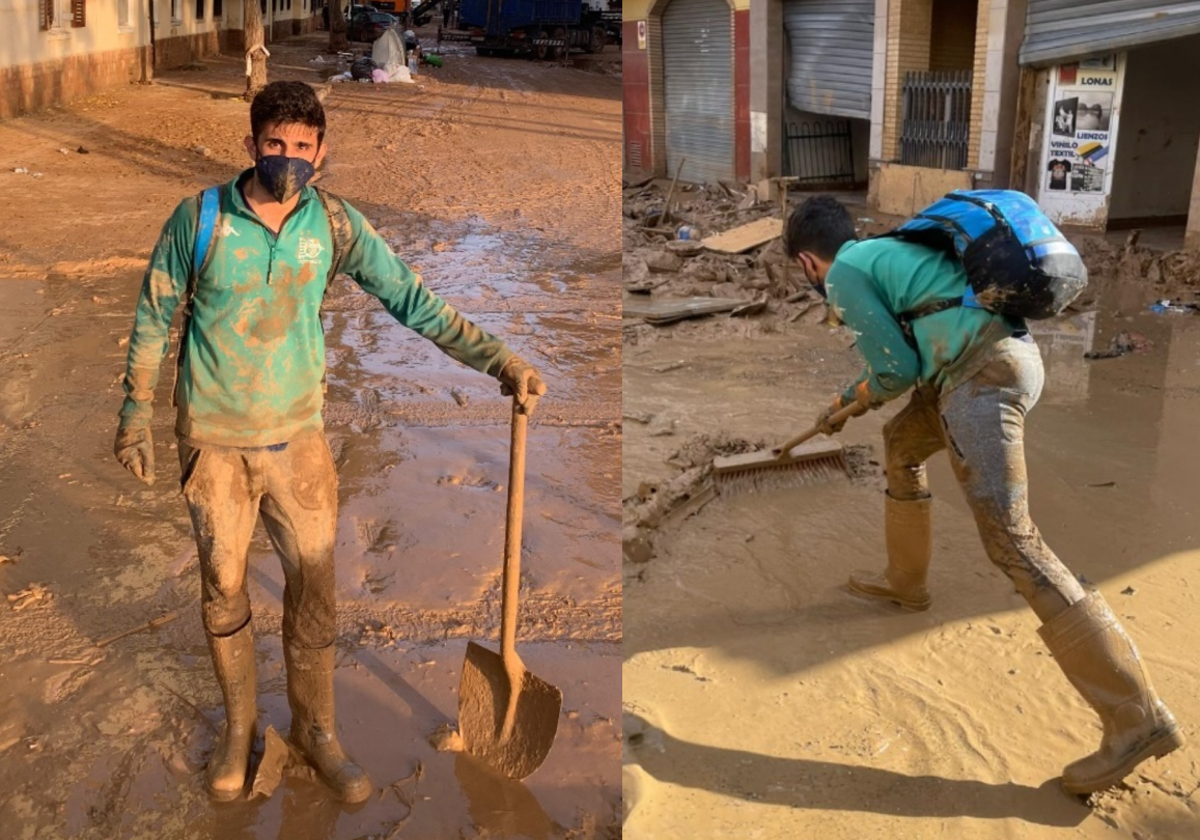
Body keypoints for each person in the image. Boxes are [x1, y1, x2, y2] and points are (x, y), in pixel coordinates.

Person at [114, 80, 546, 803]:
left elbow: (412, 297)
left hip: (299, 445)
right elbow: (155, 314)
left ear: (323, 151)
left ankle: (318, 732)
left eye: (303, 147)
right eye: (275, 145)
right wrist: (134, 411)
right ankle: (239, 727)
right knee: (222, 590)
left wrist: (499, 359)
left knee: (313, 592)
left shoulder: (335, 226)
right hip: (214, 442)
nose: (288, 159)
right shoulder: (202, 218)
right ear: (250, 146)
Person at [784, 195, 1182, 795]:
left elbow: (894, 369)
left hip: (982, 379)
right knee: (901, 444)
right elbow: (916, 361)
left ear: (807, 262)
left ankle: (1136, 718)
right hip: (986, 362)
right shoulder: (887, 250)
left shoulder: (843, 272)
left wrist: (847, 401)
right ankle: (906, 583)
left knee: (1013, 543)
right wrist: (860, 400)